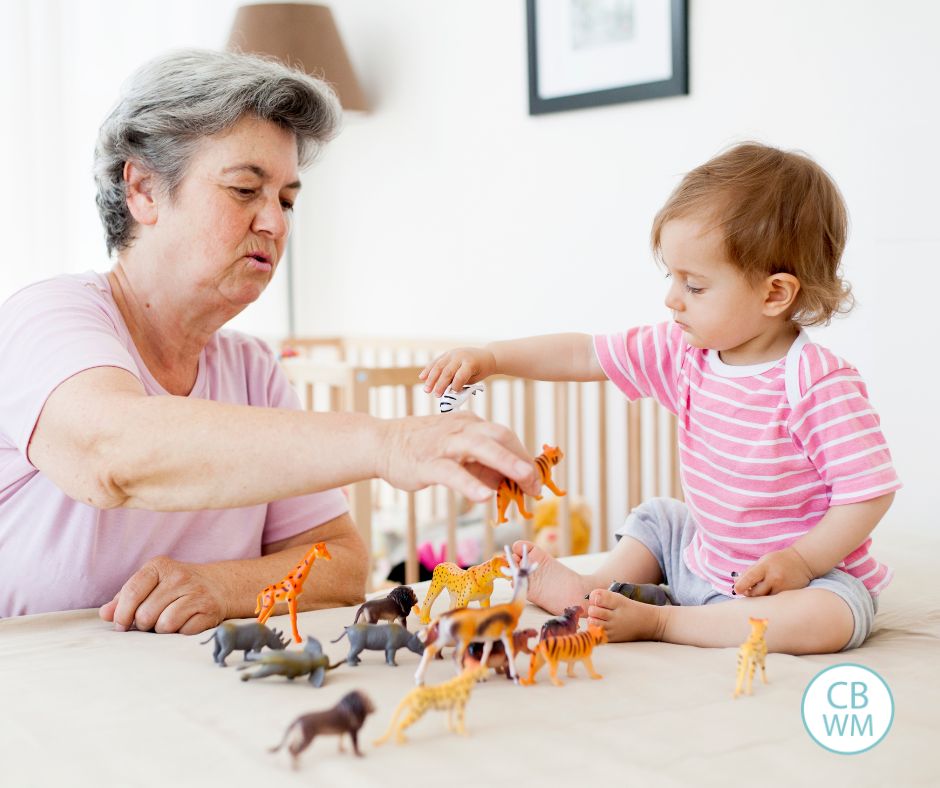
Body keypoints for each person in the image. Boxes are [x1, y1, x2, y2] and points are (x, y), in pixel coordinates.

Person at [0, 49, 539, 631]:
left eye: (286, 200)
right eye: (243, 190)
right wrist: (388, 444)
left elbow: (341, 562)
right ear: (145, 189)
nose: (277, 224)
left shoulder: (252, 368)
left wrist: (220, 584)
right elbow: (109, 454)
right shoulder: (48, 315)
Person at [420, 142, 900, 655]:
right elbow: (585, 355)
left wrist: (802, 561)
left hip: (797, 582)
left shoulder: (818, 383)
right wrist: (494, 358)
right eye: (671, 277)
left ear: (774, 294)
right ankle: (595, 590)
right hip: (703, 558)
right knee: (660, 516)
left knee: (828, 618)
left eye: (693, 286)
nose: (672, 298)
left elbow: (868, 491)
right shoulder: (683, 352)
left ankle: (662, 622)